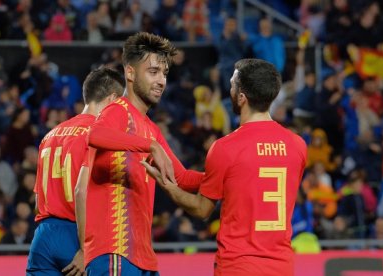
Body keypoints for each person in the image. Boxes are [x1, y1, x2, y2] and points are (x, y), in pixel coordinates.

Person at [143, 59, 307, 276]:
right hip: (281, 266)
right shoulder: (297, 145)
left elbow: (202, 210)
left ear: (241, 97)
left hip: (237, 266)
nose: (229, 89)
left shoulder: (225, 148)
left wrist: (167, 185)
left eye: (232, 84)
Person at [81, 32, 203, 275]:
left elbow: (182, 178)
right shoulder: (117, 110)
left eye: (164, 74)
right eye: (153, 72)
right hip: (114, 252)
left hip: (142, 256)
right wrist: (150, 146)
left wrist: (227, 174)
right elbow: (94, 135)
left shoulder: (151, 128)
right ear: (130, 73)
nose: (161, 81)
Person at [26, 67, 125, 275]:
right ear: (113, 99)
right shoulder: (99, 137)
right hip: (78, 235)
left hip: (43, 235)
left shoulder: (49, 135)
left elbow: (37, 202)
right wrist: (84, 248)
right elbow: (85, 194)